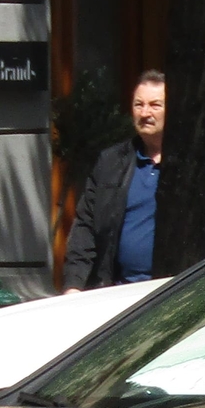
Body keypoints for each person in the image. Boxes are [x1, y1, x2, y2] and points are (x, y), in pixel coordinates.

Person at [63, 72, 167, 290]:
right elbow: (85, 226)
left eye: (155, 105)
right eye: (139, 104)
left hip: (173, 292)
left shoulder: (190, 166)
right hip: (118, 292)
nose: (145, 112)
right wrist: (74, 284)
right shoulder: (111, 162)